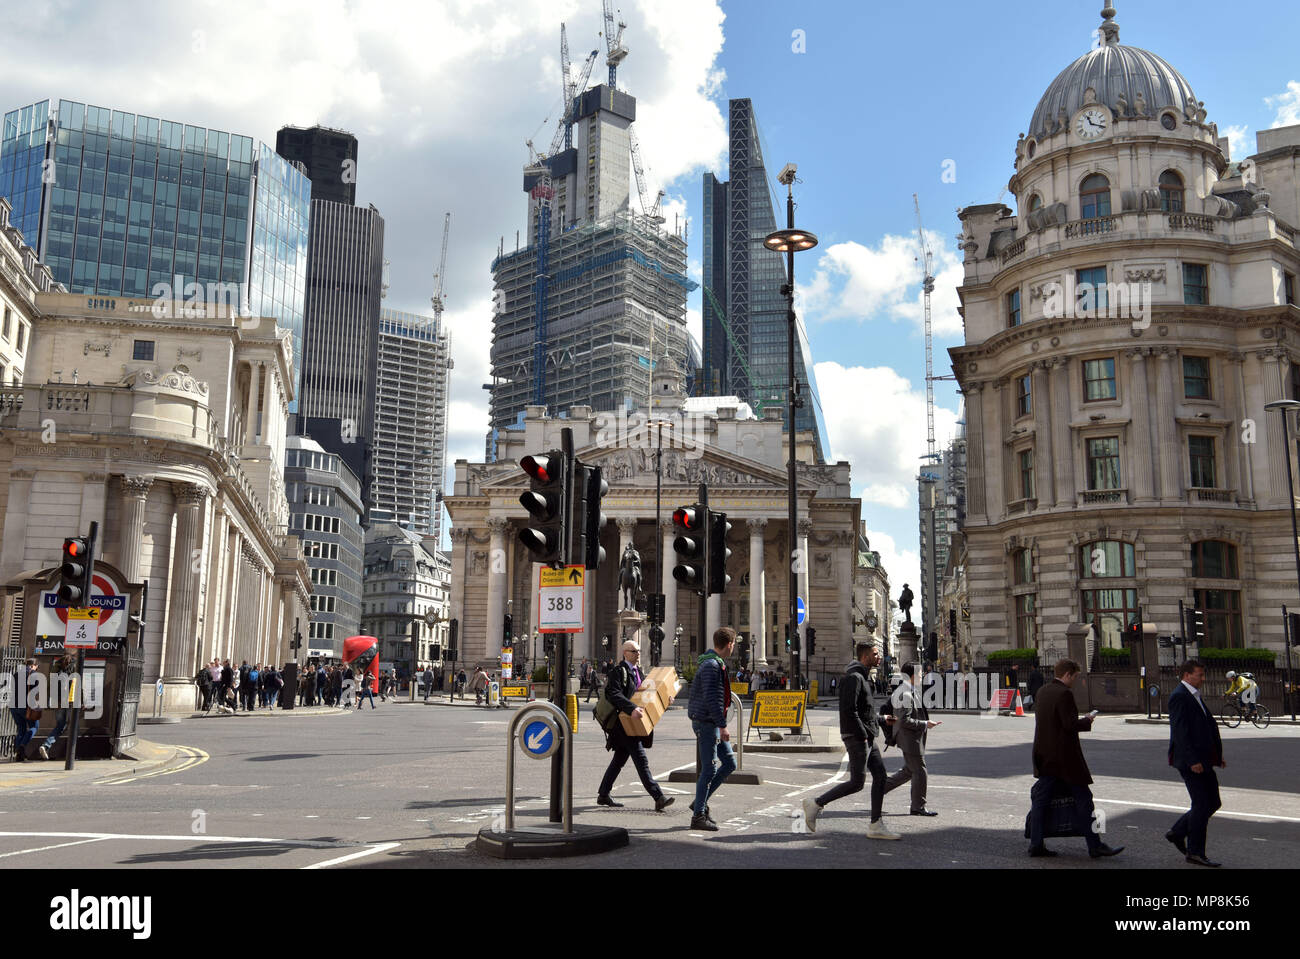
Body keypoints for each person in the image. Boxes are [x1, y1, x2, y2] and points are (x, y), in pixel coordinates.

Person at [1027, 658, 1123, 859]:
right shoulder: (1064, 694)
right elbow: (1069, 725)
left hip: (1044, 755)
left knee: (1041, 802)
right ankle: (1095, 846)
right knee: (1084, 800)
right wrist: (1087, 720)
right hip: (1064, 759)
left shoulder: (1043, 691)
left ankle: (1036, 843)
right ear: (1068, 674)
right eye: (1075, 677)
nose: (1075, 681)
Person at [802, 642, 899, 839]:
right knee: (857, 782)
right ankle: (816, 803)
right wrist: (862, 735)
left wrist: (881, 720)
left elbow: (864, 711)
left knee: (880, 776)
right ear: (865, 656)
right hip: (858, 737)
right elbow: (849, 711)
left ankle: (876, 825)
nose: (879, 657)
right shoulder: (853, 678)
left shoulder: (862, 677)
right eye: (875, 653)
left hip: (866, 736)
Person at [596, 639, 673, 813]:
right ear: (625, 653)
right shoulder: (619, 671)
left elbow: (647, 695)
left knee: (619, 761)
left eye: (638, 651)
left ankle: (603, 794)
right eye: (634, 651)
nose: (638, 654)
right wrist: (631, 709)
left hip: (634, 723)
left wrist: (665, 702)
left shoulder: (638, 672)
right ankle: (658, 797)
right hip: (623, 724)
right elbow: (613, 693)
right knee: (641, 760)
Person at [1167, 659, 1225, 867]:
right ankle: (1195, 851)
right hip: (1191, 761)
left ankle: (1178, 831)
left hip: (1204, 759)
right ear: (1186, 675)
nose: (1203, 678)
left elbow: (1205, 728)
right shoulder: (1179, 697)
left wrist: (1216, 756)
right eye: (1199, 675)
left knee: (1213, 802)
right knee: (1201, 805)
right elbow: (1180, 733)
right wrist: (1192, 760)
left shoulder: (1193, 695)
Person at [686, 627, 738, 832]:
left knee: (730, 763)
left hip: (711, 721)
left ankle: (700, 800)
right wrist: (722, 725)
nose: (734, 647)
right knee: (709, 768)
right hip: (707, 722)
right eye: (734, 643)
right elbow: (710, 698)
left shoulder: (715, 663)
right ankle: (698, 815)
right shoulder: (711, 665)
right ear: (729, 644)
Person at [882, 662, 940, 817]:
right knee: (920, 771)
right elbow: (904, 720)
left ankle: (879, 789)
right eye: (920, 674)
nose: (923, 676)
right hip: (909, 740)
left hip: (911, 739)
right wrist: (925, 724)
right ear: (913, 676)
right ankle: (918, 807)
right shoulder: (905, 693)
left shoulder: (910, 690)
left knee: (909, 771)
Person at [8, 657, 39, 762]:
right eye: (36, 666)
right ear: (34, 666)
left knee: (21, 728)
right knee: (34, 726)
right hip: (25, 705)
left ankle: (19, 754)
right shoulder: (34, 674)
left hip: (13, 706)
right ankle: (22, 746)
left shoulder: (16, 674)